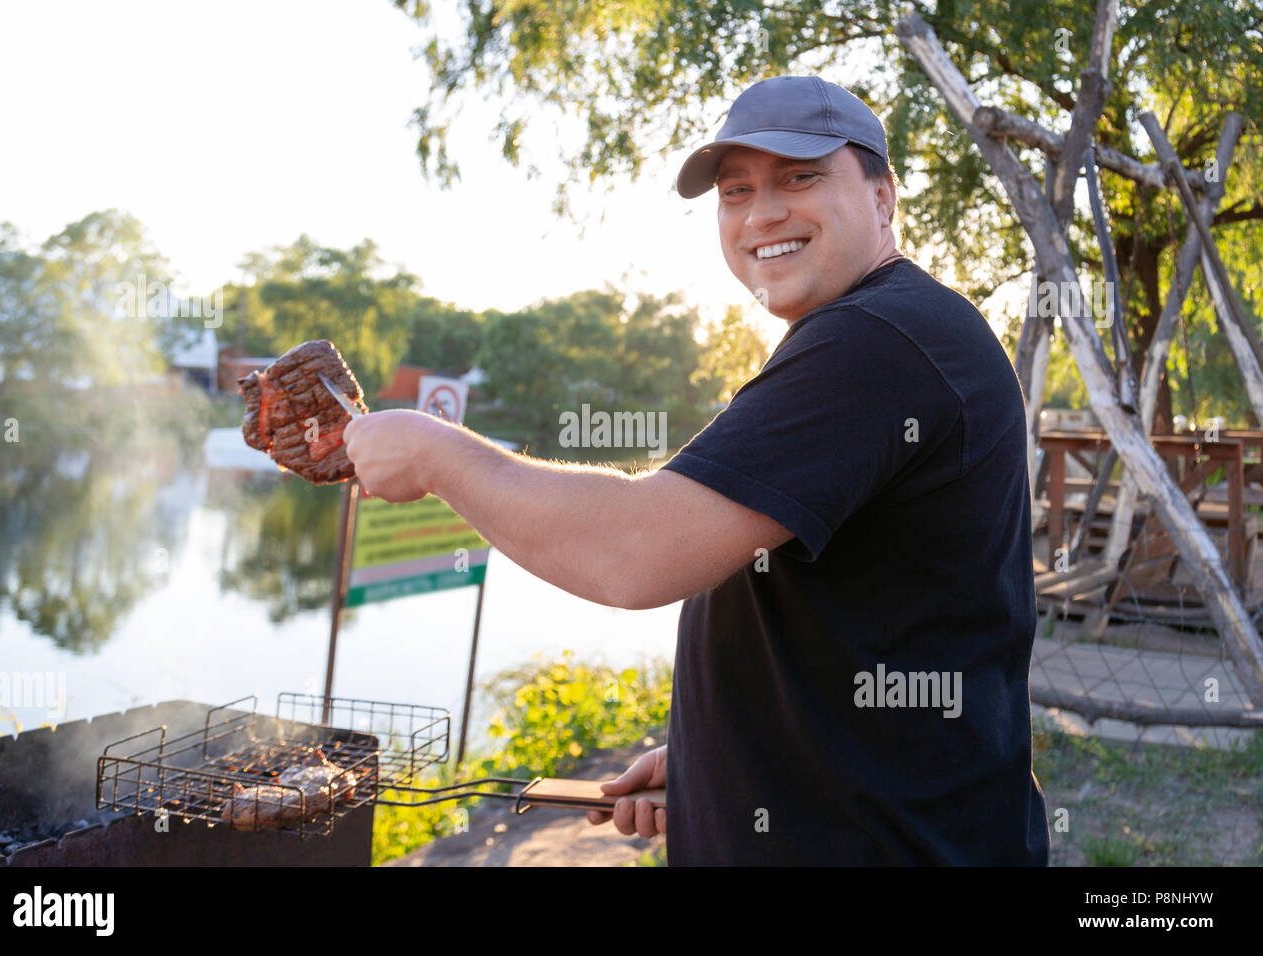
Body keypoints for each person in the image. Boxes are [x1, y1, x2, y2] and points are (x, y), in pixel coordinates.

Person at [343, 75, 1051, 865]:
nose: (761, 214)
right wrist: (724, 769)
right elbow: (876, 622)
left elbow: (634, 550)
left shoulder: (876, 342)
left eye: (800, 177)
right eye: (735, 191)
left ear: (883, 198)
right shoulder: (886, 333)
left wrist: (437, 452)